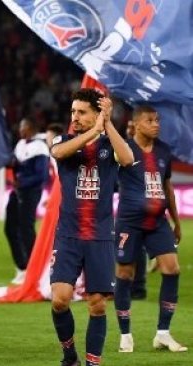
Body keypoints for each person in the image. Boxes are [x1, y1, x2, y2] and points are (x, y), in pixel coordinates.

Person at [49, 88, 134, 366]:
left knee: (97, 304)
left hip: (99, 236)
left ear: (97, 114)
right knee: (59, 300)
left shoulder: (110, 145)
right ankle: (69, 354)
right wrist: (92, 131)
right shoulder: (66, 141)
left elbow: (128, 159)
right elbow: (57, 152)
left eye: (82, 112)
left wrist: (107, 125)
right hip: (68, 235)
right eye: (73, 111)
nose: (75, 117)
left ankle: (92, 362)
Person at [114, 105, 187, 353]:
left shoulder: (164, 151)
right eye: (150, 120)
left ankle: (163, 333)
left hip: (158, 223)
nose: (156, 124)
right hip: (129, 222)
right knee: (125, 274)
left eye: (157, 120)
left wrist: (176, 221)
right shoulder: (123, 149)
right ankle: (125, 334)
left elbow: (168, 188)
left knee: (172, 269)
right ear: (136, 123)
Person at [4, 118, 50, 285]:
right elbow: (15, 165)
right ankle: (22, 267)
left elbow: (42, 175)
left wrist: (22, 182)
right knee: (10, 228)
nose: (20, 130)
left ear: (31, 128)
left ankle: (33, 268)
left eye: (23, 126)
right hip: (17, 191)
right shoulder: (21, 144)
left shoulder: (40, 148)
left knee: (26, 228)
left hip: (30, 192)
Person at [124, 119, 149, 300]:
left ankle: (138, 287)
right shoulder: (123, 148)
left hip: (141, 204)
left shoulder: (145, 151)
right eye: (128, 127)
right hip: (126, 205)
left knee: (138, 246)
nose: (130, 130)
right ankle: (127, 285)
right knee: (125, 246)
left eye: (133, 127)